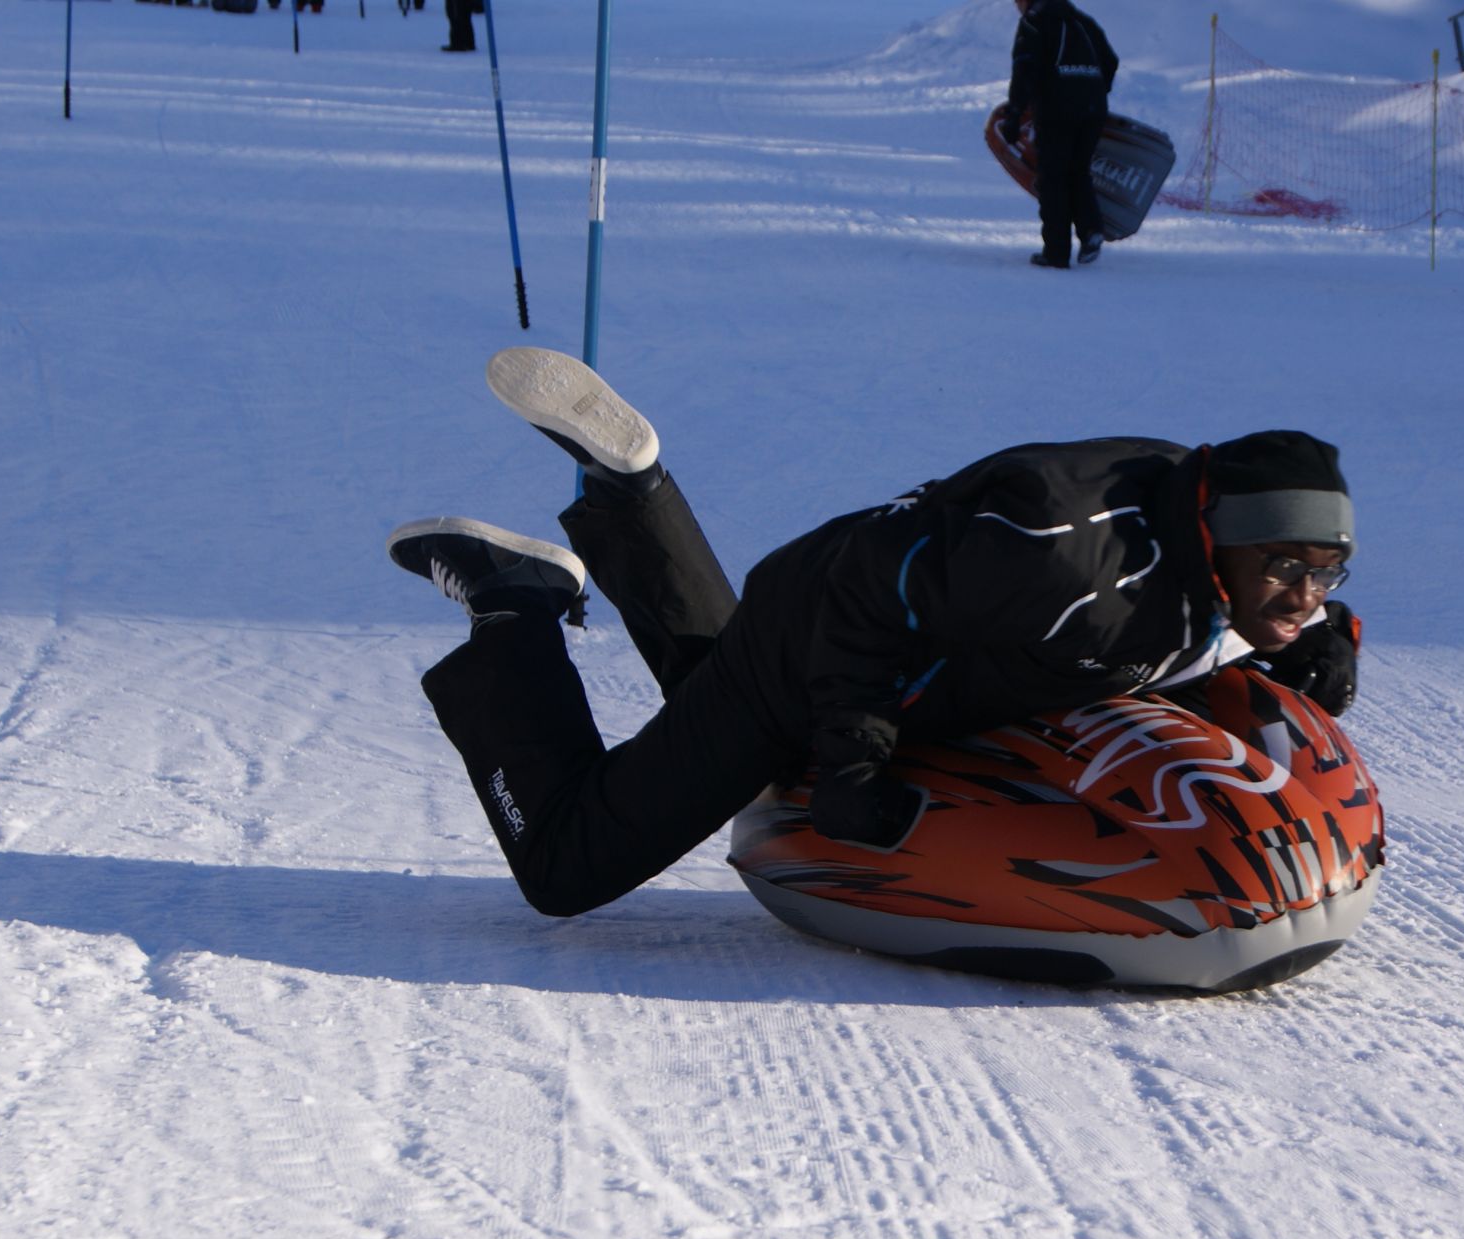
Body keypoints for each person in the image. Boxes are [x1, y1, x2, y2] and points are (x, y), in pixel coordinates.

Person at [387, 349, 1364, 918]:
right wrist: (854, 763)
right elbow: (867, 601)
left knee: (707, 699)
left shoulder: (1196, 529)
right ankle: (512, 605)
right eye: (1288, 568)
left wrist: (1317, 632)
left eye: (1325, 571)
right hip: (819, 631)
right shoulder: (1069, 565)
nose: (1303, 592)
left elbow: (1218, 613)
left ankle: (630, 487)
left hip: (870, 630)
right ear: (1216, 533)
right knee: (568, 865)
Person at [999, 0, 1120, 269]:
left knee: (1053, 178)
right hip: (1093, 109)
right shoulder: (1083, 22)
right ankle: (1091, 230)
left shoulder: (1034, 23)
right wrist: (1093, 90)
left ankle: (1056, 252)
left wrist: (1015, 114)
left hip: (1057, 108)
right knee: (1078, 171)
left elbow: (1024, 69)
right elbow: (1110, 61)